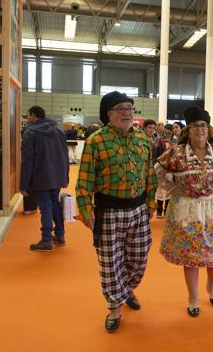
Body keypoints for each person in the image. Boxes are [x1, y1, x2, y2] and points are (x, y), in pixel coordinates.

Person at [75, 91, 157, 333]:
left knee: (139, 258)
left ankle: (126, 290)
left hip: (139, 210)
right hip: (108, 211)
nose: (127, 113)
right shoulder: (96, 141)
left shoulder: (142, 138)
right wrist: (86, 210)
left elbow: (149, 174)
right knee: (111, 263)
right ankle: (115, 307)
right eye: (120, 108)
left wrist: (151, 203)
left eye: (130, 108)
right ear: (108, 114)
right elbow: (85, 180)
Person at [156, 106, 213, 317]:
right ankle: (193, 296)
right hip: (188, 211)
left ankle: (211, 286)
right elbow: (158, 171)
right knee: (191, 257)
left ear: (208, 128)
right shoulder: (176, 152)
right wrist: (173, 184)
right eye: (194, 126)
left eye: (203, 126)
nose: (199, 130)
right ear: (188, 129)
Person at [20, 106, 69, 252]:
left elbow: (27, 160)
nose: (27, 118)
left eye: (27, 115)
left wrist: (23, 184)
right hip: (57, 176)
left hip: (40, 176)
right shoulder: (58, 130)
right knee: (55, 204)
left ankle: (46, 240)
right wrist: (65, 176)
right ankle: (60, 236)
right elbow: (65, 155)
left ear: (33, 115)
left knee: (45, 207)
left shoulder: (30, 133)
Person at [154, 124, 174, 218]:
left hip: (171, 167)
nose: (166, 134)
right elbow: (156, 154)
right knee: (159, 189)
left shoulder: (176, 140)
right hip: (160, 166)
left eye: (168, 132)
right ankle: (158, 210)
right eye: (165, 132)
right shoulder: (159, 139)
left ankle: (166, 210)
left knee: (170, 189)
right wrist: (156, 146)